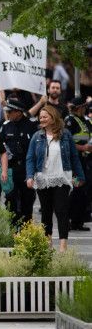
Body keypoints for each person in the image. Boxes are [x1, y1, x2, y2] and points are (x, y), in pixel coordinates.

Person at [26, 105, 86, 252]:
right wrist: (29, 176)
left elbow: (74, 157)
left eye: (45, 116)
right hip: (42, 179)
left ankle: (63, 245)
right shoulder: (36, 136)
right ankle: (47, 243)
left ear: (53, 117)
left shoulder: (65, 135)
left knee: (61, 211)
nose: (42, 119)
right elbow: (30, 158)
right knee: (46, 212)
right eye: (40, 117)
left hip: (61, 178)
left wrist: (80, 176)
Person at [0, 98, 39, 225]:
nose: (8, 114)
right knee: (10, 199)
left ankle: (26, 229)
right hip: (11, 168)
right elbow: (1, 147)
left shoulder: (32, 125)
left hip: (27, 168)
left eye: (10, 111)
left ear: (18, 112)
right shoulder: (5, 126)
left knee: (27, 199)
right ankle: (13, 228)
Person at [65, 97, 92, 231]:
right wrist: (83, 148)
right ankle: (67, 218)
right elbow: (67, 142)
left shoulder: (85, 121)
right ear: (78, 107)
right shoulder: (70, 121)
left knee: (84, 191)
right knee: (76, 189)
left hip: (85, 161)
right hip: (74, 162)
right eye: (83, 107)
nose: (85, 109)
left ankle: (78, 221)